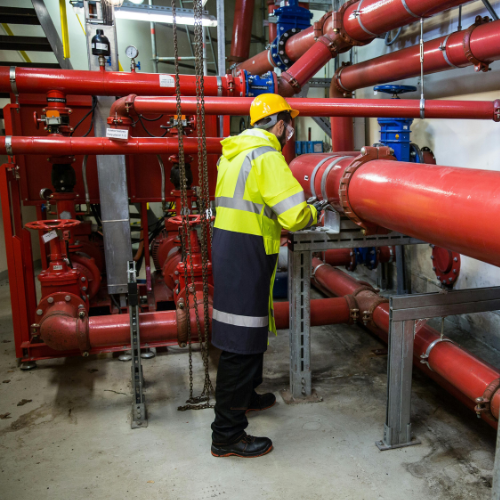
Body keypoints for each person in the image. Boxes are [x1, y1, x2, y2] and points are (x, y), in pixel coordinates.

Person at [210, 94, 319, 458]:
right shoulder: (267, 156)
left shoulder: (234, 153)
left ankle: (246, 397)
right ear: (280, 124)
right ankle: (226, 434)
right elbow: (294, 215)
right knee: (239, 342)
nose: (290, 132)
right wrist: (314, 213)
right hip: (247, 250)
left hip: (232, 246)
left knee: (251, 329)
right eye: (290, 124)